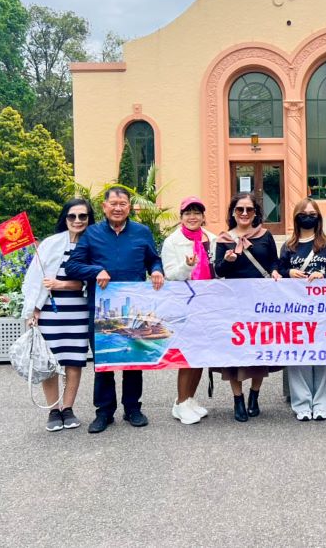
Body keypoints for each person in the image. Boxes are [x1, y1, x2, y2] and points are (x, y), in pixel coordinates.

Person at [65, 186, 165, 434]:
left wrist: (156, 269)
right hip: (101, 309)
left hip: (134, 307)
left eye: (123, 203)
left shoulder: (142, 232)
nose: (118, 208)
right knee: (104, 360)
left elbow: (154, 258)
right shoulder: (92, 234)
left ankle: (133, 408)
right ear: (104, 207)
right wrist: (95, 271)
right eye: (114, 203)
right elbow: (72, 267)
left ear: (129, 207)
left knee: (133, 357)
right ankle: (104, 412)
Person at [21, 199, 95, 432]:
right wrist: (33, 310)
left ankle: (68, 408)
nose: (77, 221)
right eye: (72, 216)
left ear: (89, 219)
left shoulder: (93, 244)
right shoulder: (50, 244)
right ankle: (53, 409)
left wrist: (59, 284)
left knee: (74, 360)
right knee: (49, 360)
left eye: (82, 216)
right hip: (49, 311)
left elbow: (89, 280)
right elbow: (34, 280)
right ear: (65, 218)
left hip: (79, 310)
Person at [213, 192, 282, 422]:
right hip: (233, 303)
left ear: (255, 213)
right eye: (240, 209)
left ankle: (254, 395)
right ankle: (237, 399)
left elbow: (274, 261)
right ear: (233, 212)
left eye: (249, 210)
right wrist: (228, 261)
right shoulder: (224, 239)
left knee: (257, 350)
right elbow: (219, 271)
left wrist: (274, 271)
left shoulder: (265, 236)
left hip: (260, 303)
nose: (244, 213)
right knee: (235, 352)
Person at [279, 198, 326, 421]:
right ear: (297, 216)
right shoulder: (288, 246)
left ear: (318, 217)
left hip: (325, 309)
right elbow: (279, 271)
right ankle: (301, 404)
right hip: (296, 310)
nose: (308, 216)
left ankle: (322, 404)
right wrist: (289, 273)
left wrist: (323, 275)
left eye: (312, 213)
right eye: (304, 213)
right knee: (299, 355)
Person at [161, 196, 216, 425]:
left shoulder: (211, 239)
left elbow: (217, 269)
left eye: (197, 213)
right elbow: (170, 275)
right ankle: (181, 401)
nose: (192, 217)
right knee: (186, 355)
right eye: (187, 213)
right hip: (184, 304)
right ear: (181, 217)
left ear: (203, 217)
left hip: (208, 304)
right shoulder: (172, 242)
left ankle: (190, 399)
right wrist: (187, 265)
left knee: (200, 354)